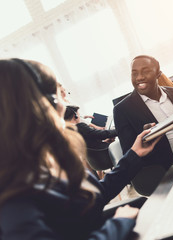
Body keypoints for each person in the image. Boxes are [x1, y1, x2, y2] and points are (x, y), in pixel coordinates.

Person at [0, 58, 160, 240]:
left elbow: (92, 197)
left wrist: (135, 153)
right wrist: (119, 224)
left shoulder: (54, 154)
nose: (65, 103)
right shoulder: (12, 200)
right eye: (59, 95)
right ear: (44, 105)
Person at [113, 55, 173, 171]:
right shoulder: (122, 110)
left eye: (145, 71)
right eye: (134, 73)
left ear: (158, 74)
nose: (139, 77)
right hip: (165, 168)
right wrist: (144, 139)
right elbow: (130, 154)